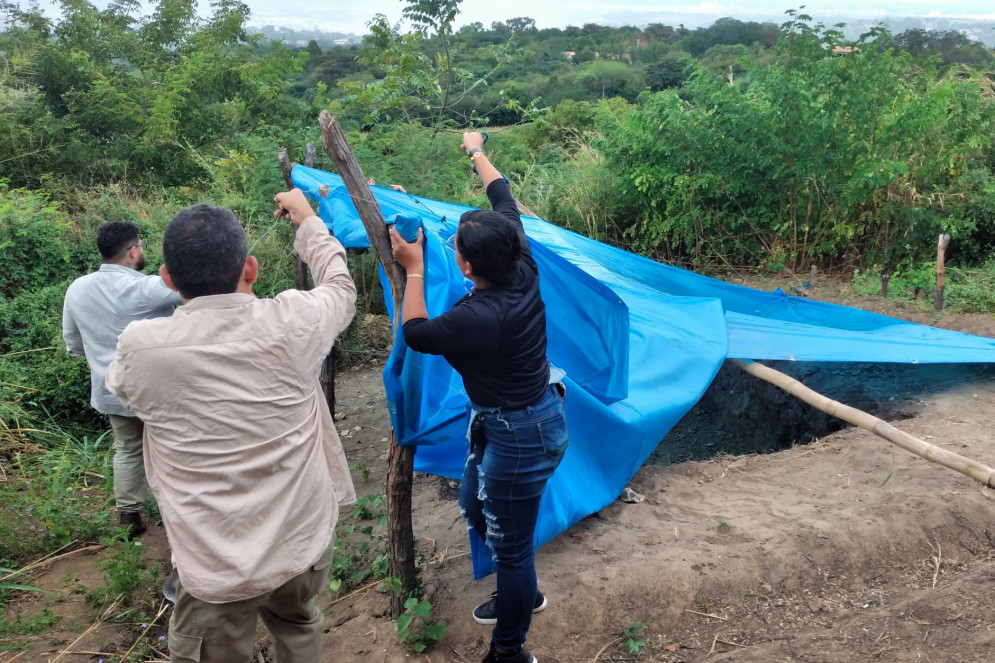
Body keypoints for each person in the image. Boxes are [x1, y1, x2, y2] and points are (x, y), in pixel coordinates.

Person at [105, 191, 357, 663]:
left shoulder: (142, 348)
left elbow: (121, 388)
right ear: (251, 269)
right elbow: (340, 287)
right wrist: (307, 221)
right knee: (299, 627)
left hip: (214, 566)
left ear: (167, 280)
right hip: (299, 543)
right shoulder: (295, 321)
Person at [390, 132, 569, 663]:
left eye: (456, 249)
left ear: (467, 267)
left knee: (511, 550)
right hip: (514, 423)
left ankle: (510, 648)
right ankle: (521, 585)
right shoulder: (521, 263)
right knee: (474, 500)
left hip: (521, 434)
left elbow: (418, 333)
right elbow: (502, 195)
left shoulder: (478, 318)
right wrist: (474, 149)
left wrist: (414, 267)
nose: (453, 251)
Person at [63, 221, 182, 538]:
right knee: (171, 452)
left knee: (128, 449)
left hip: (111, 390)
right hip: (158, 391)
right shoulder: (146, 288)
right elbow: (193, 290)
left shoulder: (77, 288)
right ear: (133, 251)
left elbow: (73, 343)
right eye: (141, 245)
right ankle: (180, 519)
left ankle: (129, 518)